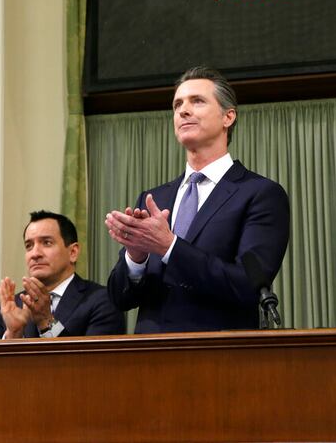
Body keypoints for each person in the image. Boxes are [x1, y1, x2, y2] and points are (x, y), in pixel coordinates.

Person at [105, 66, 290, 333]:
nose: (183, 110)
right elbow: (120, 298)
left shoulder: (260, 194)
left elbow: (247, 285)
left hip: (217, 357)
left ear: (228, 116)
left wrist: (170, 246)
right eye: (177, 104)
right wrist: (137, 256)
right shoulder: (154, 198)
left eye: (197, 101)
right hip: (149, 359)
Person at [0, 210, 125, 339]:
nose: (35, 253)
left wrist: (46, 322)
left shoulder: (103, 301)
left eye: (47, 243)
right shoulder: (6, 310)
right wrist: (13, 333)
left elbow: (93, 362)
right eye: (29, 245)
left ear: (73, 253)